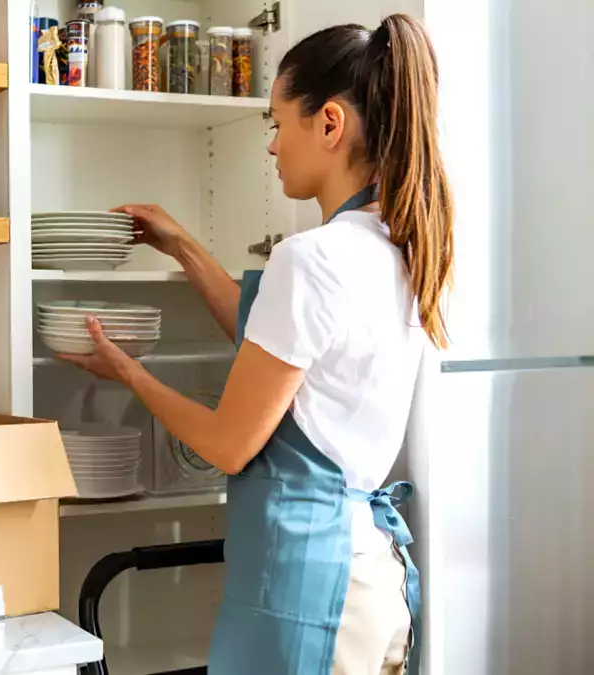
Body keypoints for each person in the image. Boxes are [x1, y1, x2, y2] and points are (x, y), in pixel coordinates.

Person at [58, 14, 452, 675]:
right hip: (370, 577)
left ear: (329, 123)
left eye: (276, 121)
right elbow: (276, 338)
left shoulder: (311, 258)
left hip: (312, 586)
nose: (270, 146)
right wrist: (183, 245)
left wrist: (130, 372)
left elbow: (226, 443)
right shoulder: (401, 246)